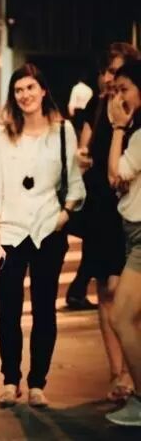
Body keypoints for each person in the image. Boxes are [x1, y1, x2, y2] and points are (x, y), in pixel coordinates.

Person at [0, 63, 86, 408]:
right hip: (10, 234)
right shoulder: (1, 136)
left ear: (43, 90)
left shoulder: (63, 132)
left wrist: (63, 217)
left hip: (48, 233)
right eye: (18, 90)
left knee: (45, 310)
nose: (25, 95)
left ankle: (38, 383)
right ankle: (10, 381)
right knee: (7, 311)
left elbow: (75, 184)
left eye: (30, 87)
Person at [67, 44, 140, 403]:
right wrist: (81, 159)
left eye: (117, 73)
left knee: (123, 294)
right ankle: (118, 373)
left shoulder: (134, 115)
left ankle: (132, 374)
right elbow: (84, 150)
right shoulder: (97, 108)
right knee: (106, 293)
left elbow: (122, 169)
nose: (110, 79)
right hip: (101, 208)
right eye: (107, 72)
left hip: (128, 209)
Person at [106, 59, 141, 426]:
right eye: (115, 91)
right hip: (133, 233)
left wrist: (117, 127)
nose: (119, 98)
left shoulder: (139, 135)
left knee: (121, 316)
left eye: (125, 89)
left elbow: (115, 175)